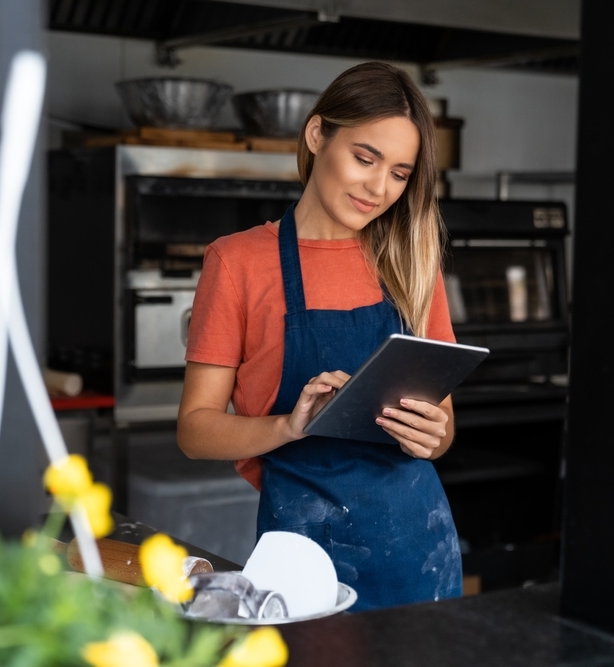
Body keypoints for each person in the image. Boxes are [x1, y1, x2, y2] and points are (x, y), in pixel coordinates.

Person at [177, 61, 462, 611]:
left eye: (400, 173)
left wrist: (434, 436)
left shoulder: (414, 263)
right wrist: (289, 425)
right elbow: (195, 430)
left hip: (420, 555)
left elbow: (442, 429)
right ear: (317, 135)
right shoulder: (237, 262)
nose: (379, 188)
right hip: (303, 559)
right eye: (365, 157)